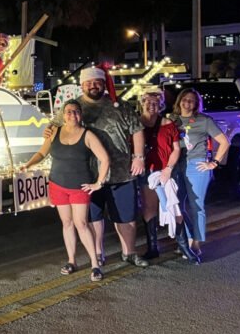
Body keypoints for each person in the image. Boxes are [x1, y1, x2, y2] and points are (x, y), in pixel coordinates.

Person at [44, 66, 149, 267]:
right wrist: (48, 132)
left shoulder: (120, 106)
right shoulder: (73, 107)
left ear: (103, 83)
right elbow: (54, 127)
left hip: (121, 173)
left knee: (126, 217)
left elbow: (137, 131)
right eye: (88, 82)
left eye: (97, 82)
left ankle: (129, 252)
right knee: (93, 218)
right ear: (82, 85)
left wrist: (138, 157)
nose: (93, 86)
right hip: (89, 175)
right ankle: (98, 253)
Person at [23, 99, 110, 282]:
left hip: (79, 187)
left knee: (81, 224)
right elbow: (42, 153)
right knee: (67, 223)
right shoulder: (54, 132)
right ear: (63, 114)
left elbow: (104, 159)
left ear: (81, 115)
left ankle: (95, 264)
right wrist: (28, 164)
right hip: (58, 185)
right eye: (69, 111)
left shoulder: (87, 135)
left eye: (76, 111)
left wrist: (98, 183)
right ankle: (72, 261)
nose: (72, 115)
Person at [138, 89, 200, 264]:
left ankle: (183, 246)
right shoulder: (136, 125)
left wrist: (168, 168)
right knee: (149, 209)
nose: (151, 106)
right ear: (141, 104)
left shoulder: (168, 124)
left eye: (155, 103)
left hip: (167, 171)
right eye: (148, 102)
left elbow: (176, 149)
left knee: (175, 207)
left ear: (161, 105)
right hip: (147, 172)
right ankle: (152, 247)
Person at [169, 88, 229, 260]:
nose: (187, 103)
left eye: (192, 100)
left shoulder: (204, 121)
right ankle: (186, 237)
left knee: (197, 206)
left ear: (196, 104)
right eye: (184, 99)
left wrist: (214, 162)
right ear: (179, 101)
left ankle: (196, 242)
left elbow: (224, 141)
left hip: (197, 166)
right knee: (176, 205)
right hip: (176, 165)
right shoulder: (171, 120)